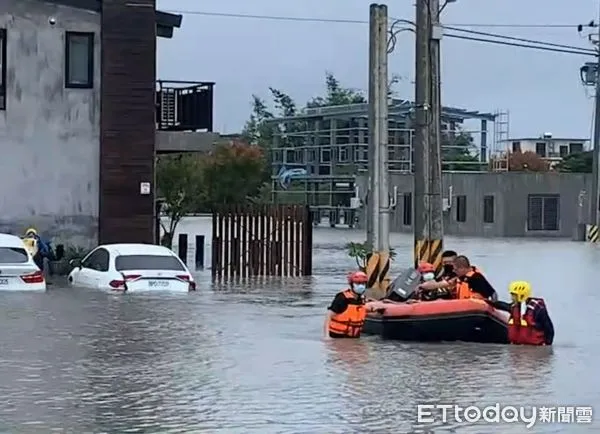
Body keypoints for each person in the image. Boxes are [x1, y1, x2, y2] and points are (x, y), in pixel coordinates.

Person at [489, 281, 554, 345]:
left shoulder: (537, 309)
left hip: (535, 349)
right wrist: (490, 302)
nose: (511, 298)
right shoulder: (515, 307)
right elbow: (504, 306)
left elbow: (549, 328)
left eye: (514, 295)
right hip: (517, 348)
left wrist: (548, 346)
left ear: (521, 295)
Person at [325, 271, 381, 338]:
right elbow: (328, 317)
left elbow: (363, 312)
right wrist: (327, 337)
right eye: (358, 283)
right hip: (337, 338)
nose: (361, 286)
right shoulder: (342, 298)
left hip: (354, 338)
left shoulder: (362, 300)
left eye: (363, 283)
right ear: (351, 284)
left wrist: (380, 310)